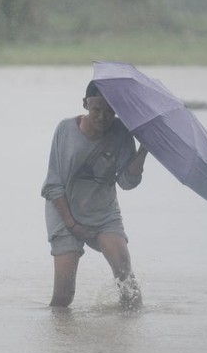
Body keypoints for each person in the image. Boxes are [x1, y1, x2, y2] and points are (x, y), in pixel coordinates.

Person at [41, 80, 148, 309]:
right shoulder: (65, 130)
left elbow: (127, 182)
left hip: (103, 213)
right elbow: (52, 185)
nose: (102, 117)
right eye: (96, 109)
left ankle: (127, 337)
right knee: (63, 297)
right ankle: (60, 343)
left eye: (109, 111)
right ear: (85, 104)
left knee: (128, 285)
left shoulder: (121, 133)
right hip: (64, 211)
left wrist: (144, 150)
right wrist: (72, 225)